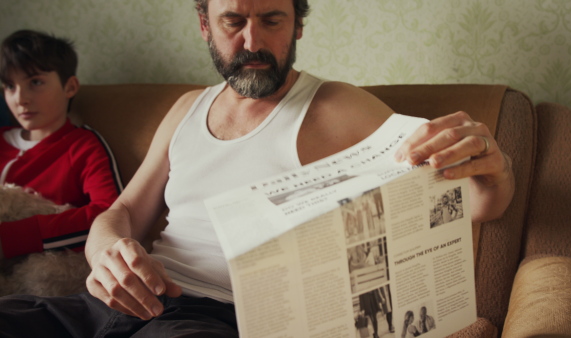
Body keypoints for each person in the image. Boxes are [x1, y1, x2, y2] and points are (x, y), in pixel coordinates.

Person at [0, 0, 514, 336]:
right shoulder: (186, 108)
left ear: (298, 24)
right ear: (205, 23)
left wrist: (497, 172)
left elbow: (468, 198)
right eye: (234, 21)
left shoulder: (337, 108)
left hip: (213, 319)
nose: (252, 42)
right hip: (107, 307)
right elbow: (122, 210)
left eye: (272, 20)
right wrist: (105, 251)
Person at [0, 30, 121, 261]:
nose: (20, 98)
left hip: (36, 271)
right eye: (9, 86)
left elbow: (111, 213)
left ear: (70, 87)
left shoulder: (82, 146)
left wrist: (10, 238)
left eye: (35, 82)